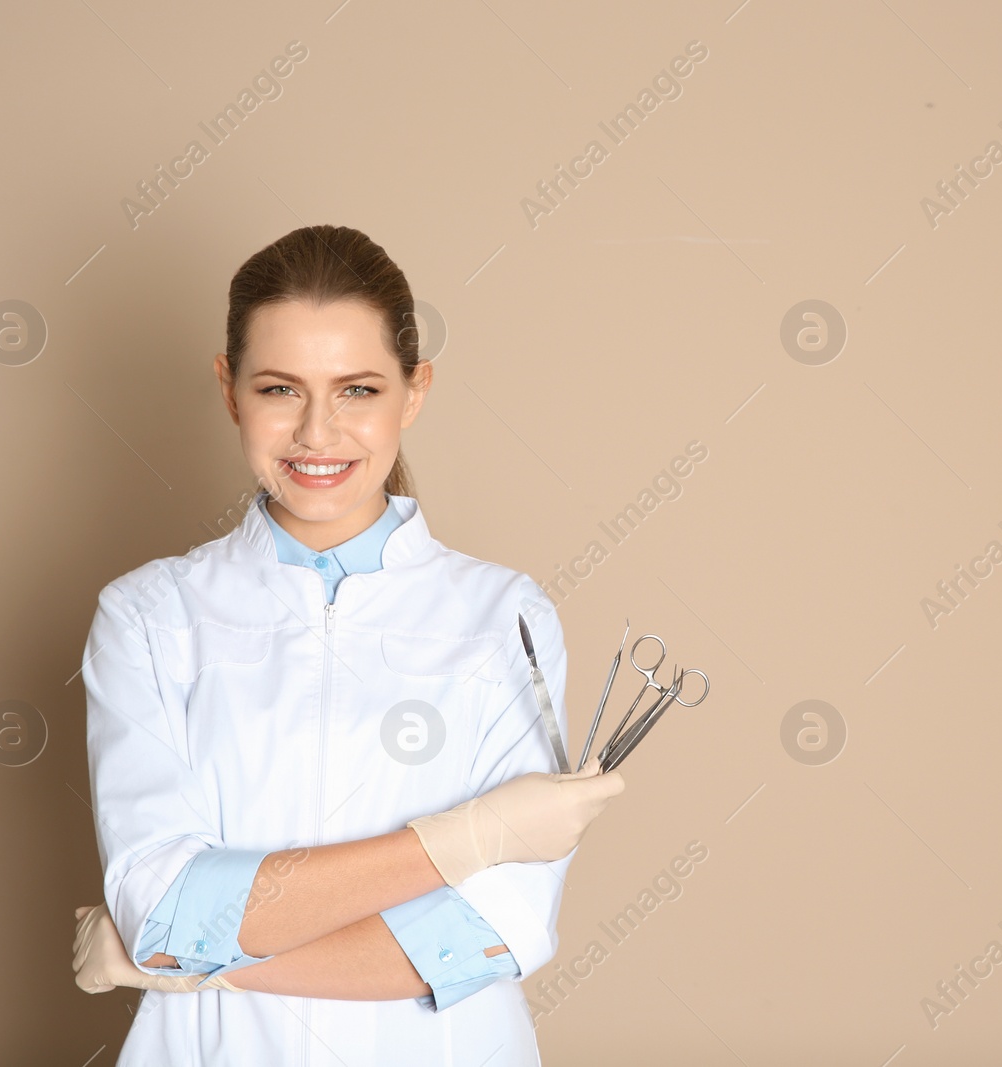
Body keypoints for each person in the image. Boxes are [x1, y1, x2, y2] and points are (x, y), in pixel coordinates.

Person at [70, 224, 625, 1065]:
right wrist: (465, 839)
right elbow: (167, 908)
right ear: (229, 390)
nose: (318, 433)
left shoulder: (503, 616)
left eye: (358, 389)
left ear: (415, 391)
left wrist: (199, 967)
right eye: (280, 389)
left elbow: (483, 936)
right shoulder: (150, 618)